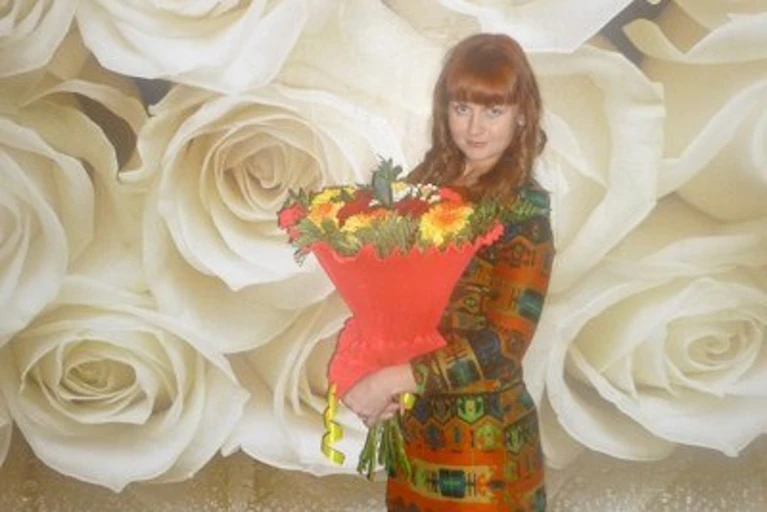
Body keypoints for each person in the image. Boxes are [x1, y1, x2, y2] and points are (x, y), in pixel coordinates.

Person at [343, 32, 555, 511]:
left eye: (493, 111)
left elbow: (503, 343)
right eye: (462, 108)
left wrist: (391, 380)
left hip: (485, 446)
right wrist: (375, 367)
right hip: (417, 429)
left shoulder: (524, 212)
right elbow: (394, 300)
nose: (474, 127)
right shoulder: (425, 186)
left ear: (522, 115)